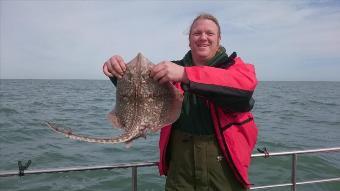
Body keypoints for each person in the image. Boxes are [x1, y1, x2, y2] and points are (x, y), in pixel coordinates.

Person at [103, 13, 258, 191]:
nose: (203, 38)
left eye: (210, 33)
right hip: (180, 171)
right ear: (189, 40)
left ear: (219, 39)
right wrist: (115, 70)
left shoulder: (235, 68)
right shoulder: (172, 71)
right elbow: (138, 88)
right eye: (196, 33)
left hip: (223, 172)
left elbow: (243, 88)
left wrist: (185, 74)